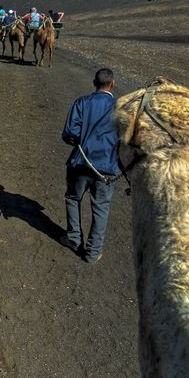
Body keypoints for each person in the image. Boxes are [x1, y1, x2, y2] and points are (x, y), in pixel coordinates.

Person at [60, 68, 119, 263]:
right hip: (107, 168)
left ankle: (74, 239)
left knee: (72, 197)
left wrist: (84, 140)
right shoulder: (121, 108)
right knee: (101, 208)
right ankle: (93, 253)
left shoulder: (82, 103)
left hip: (81, 162)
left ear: (94, 82)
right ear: (112, 83)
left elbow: (69, 133)